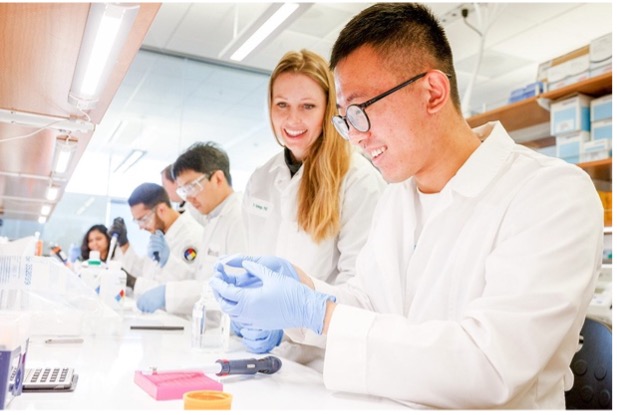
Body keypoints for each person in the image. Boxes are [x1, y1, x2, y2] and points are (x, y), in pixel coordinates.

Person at [209, 3, 604, 409]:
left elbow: (488, 364)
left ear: (432, 92)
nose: (355, 137)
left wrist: (318, 313)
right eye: (344, 120)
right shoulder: (398, 197)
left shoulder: (552, 194)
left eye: (361, 111)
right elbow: (369, 304)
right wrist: (302, 291)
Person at [229, 49, 385, 358]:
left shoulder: (357, 180)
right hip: (266, 356)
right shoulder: (261, 179)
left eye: (308, 106)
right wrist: (244, 315)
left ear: (328, 109)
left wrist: (290, 319)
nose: (292, 119)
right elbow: (248, 262)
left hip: (324, 360)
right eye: (282, 105)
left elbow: (362, 293)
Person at [137, 142, 246, 316]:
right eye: (183, 190)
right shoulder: (212, 219)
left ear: (218, 178)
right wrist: (170, 265)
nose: (188, 197)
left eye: (192, 186)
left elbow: (232, 289)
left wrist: (168, 294)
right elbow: (200, 279)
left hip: (229, 333)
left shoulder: (240, 218)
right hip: (207, 327)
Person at [109, 183, 203, 299]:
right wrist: (123, 243)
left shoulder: (192, 236)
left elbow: (186, 288)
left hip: (176, 316)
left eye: (143, 219)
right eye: (137, 221)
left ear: (161, 210)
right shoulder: (160, 234)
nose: (141, 227)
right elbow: (146, 272)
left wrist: (134, 283)